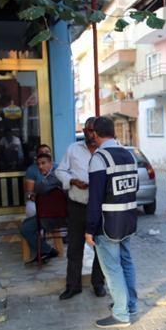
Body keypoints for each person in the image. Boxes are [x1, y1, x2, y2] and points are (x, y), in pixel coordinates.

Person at [85, 117, 138, 328]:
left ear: (95, 134)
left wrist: (89, 228)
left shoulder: (99, 158)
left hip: (107, 225)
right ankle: (130, 305)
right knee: (126, 262)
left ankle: (120, 314)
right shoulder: (129, 154)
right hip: (128, 220)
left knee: (112, 268)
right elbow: (132, 188)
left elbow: (95, 198)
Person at [55, 118, 106, 300]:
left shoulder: (105, 150)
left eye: (95, 131)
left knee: (100, 246)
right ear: (84, 131)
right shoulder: (73, 149)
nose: (92, 134)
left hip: (100, 207)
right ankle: (73, 286)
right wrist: (72, 181)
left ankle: (98, 283)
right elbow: (60, 170)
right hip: (77, 204)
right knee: (75, 247)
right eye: (89, 131)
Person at [19, 153, 60, 264]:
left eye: (43, 163)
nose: (40, 166)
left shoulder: (53, 178)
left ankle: (47, 250)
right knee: (28, 223)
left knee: (25, 228)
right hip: (49, 214)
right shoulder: (54, 176)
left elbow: (36, 192)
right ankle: (44, 251)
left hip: (53, 216)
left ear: (51, 163)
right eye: (39, 164)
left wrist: (33, 194)